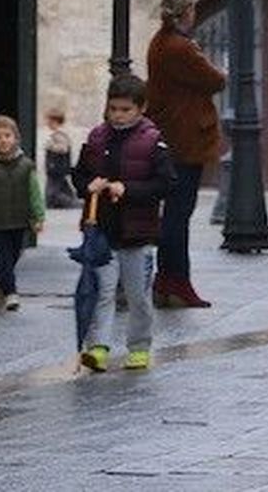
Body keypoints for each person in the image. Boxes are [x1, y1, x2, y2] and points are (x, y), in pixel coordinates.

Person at [73, 75, 173, 373]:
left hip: (138, 232)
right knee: (101, 292)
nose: (117, 115)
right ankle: (98, 347)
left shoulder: (154, 141)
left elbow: (166, 183)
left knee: (137, 295)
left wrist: (128, 190)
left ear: (141, 108)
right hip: (101, 230)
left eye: (125, 109)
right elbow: (79, 175)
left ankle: (139, 347)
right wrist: (89, 185)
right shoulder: (96, 138)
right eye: (113, 108)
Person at [145, 0, 227, 309]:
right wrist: (219, 70)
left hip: (173, 135)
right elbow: (215, 80)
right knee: (179, 215)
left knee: (174, 215)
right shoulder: (179, 47)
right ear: (187, 12)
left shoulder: (161, 42)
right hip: (185, 138)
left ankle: (167, 282)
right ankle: (177, 282)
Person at [0, 116, 45, 311]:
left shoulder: (26, 166)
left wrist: (39, 216)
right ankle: (11, 293)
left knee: (13, 257)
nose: (3, 140)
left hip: (19, 221)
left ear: (16, 138)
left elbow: (34, 193)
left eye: (7, 136)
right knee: (4, 258)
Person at [42, 106, 79, 209]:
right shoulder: (58, 134)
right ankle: (73, 201)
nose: (47, 123)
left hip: (56, 169)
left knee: (52, 193)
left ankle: (73, 204)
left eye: (49, 121)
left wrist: (50, 146)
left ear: (55, 121)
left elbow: (63, 149)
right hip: (57, 169)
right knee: (62, 188)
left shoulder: (59, 135)